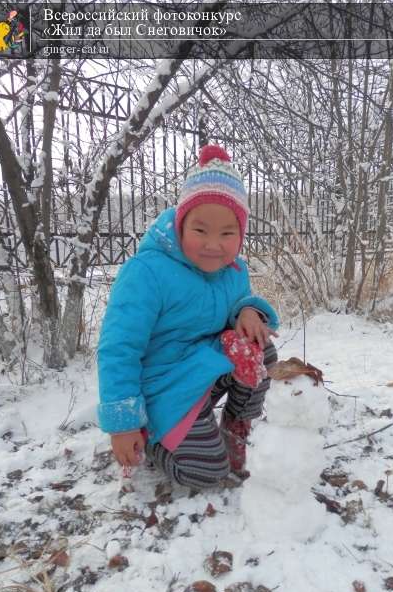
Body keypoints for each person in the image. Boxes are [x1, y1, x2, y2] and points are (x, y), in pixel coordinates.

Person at [97, 144, 280, 490]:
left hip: (201, 372)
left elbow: (238, 302)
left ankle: (236, 425)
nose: (214, 244)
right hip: (162, 388)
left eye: (227, 233)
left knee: (258, 346)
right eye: (200, 230)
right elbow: (118, 349)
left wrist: (247, 311)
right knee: (208, 472)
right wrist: (123, 424)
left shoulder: (232, 270)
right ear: (181, 225)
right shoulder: (147, 273)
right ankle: (154, 440)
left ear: (240, 234)